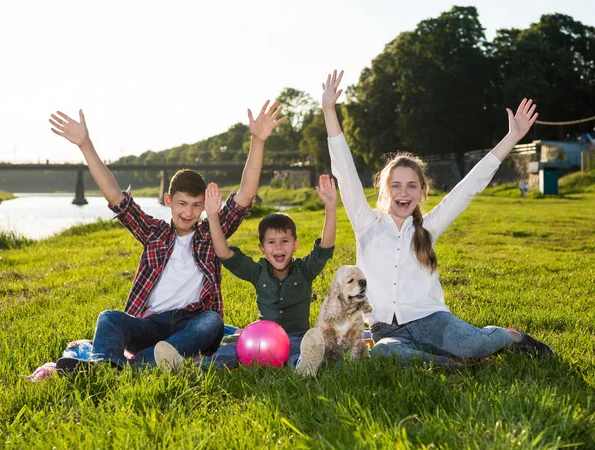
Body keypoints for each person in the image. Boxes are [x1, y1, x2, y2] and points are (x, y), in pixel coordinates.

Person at [321, 70, 554, 366]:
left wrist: (513, 137)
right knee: (385, 352)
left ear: (421, 192)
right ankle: (458, 365)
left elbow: (470, 186)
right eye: (396, 186)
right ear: (384, 190)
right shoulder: (367, 224)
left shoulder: (427, 228)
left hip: (433, 320)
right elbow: (344, 170)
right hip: (387, 331)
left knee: (473, 343)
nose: (403, 193)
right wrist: (329, 110)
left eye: (411, 186)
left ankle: (510, 337)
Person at [50, 101, 287, 372]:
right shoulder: (154, 233)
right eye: (182, 204)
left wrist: (257, 141)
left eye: (197, 205)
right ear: (168, 201)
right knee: (109, 318)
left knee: (212, 322)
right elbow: (116, 196)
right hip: (149, 324)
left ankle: (139, 364)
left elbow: (245, 195)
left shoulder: (211, 232)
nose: (189, 212)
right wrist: (85, 145)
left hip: (190, 325)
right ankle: (104, 364)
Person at [166, 174, 337, 377]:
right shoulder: (258, 272)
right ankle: (194, 369)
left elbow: (324, 249)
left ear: (295, 245)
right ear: (262, 248)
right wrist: (212, 217)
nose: (279, 247)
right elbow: (224, 254)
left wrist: (331, 207)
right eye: (271, 242)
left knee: (297, 348)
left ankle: (304, 366)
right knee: (231, 349)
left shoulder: (305, 270)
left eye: (285, 241)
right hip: (258, 337)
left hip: (294, 336)